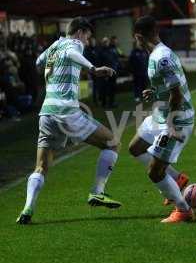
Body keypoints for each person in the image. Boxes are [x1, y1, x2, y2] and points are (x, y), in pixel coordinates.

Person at [16, 17, 123, 224]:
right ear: (80, 32)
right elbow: (72, 52)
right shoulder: (74, 44)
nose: (87, 42)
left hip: (46, 113)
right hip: (66, 110)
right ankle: (97, 192)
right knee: (112, 142)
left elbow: (39, 62)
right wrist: (93, 69)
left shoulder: (55, 45)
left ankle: (27, 208)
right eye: (87, 37)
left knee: (41, 167)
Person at [128, 16, 194, 223]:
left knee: (155, 173)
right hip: (160, 115)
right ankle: (177, 179)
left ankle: (183, 210)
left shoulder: (162, 58)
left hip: (176, 120)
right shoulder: (157, 54)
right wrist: (155, 93)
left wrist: (172, 125)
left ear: (138, 37)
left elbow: (177, 95)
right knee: (135, 148)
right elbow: (171, 88)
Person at [84, 37, 101, 105]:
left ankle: (99, 98)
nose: (93, 43)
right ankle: (95, 100)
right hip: (92, 70)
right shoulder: (87, 50)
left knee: (99, 85)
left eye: (94, 41)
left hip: (98, 69)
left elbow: (99, 59)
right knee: (94, 86)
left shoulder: (97, 49)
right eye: (92, 41)